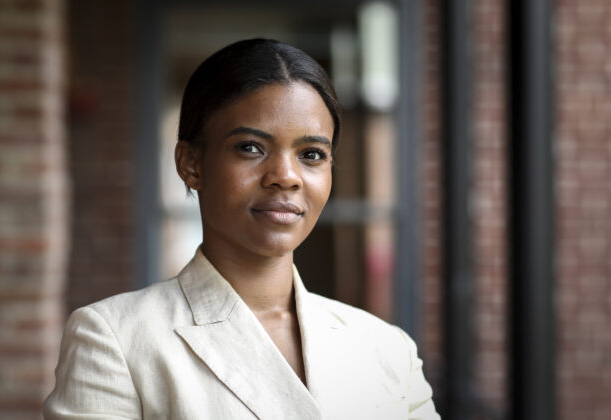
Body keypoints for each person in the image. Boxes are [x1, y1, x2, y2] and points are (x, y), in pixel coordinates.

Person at [44, 38, 439, 420]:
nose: (286, 177)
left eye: (312, 155)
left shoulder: (387, 348)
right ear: (191, 163)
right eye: (251, 147)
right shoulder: (115, 339)